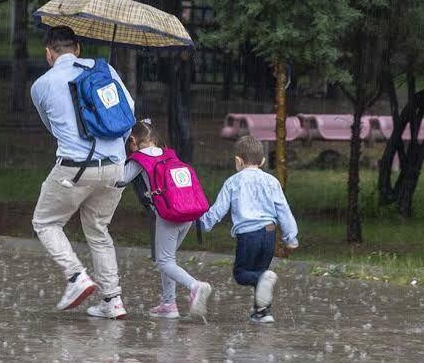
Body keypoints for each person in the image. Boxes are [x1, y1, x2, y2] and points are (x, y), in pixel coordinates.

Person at [31, 26, 134, 319]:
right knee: (99, 231)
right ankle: (113, 300)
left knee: (46, 222)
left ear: (48, 53)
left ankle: (76, 276)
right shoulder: (105, 70)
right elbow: (129, 112)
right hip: (116, 165)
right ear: (77, 48)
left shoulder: (42, 84)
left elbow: (52, 126)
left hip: (75, 167)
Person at [197, 135, 299, 323]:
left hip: (248, 235)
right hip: (269, 233)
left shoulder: (233, 182)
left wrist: (203, 223)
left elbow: (218, 209)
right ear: (262, 161)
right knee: (261, 272)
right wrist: (291, 237)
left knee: (242, 273)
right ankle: (262, 312)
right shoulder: (272, 181)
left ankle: (262, 291)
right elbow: (284, 209)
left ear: (238, 161)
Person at [121, 119, 212, 319]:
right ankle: (169, 304)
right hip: (187, 213)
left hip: (168, 215)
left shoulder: (140, 158)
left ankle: (195, 286)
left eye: (130, 143)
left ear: (134, 140)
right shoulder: (169, 154)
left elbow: (120, 179)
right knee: (168, 259)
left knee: (164, 261)